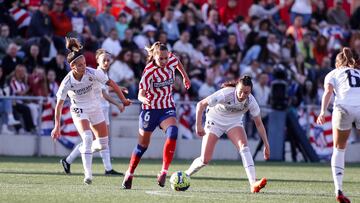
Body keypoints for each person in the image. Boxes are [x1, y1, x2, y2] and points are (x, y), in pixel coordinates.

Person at [51, 37, 131, 185]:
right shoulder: (66, 82)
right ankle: (88, 174)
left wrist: (123, 101)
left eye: (84, 64)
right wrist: (56, 126)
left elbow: (111, 83)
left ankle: (74, 157)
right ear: (72, 67)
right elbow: (59, 105)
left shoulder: (92, 72)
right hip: (78, 109)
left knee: (102, 145)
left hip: (95, 108)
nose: (83, 67)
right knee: (87, 137)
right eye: (80, 65)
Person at [121, 42, 191, 189]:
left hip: (166, 107)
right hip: (150, 110)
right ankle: (129, 173)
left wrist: (185, 77)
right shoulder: (149, 71)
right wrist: (143, 99)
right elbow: (140, 94)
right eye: (162, 59)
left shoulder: (171, 59)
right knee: (142, 146)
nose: (165, 61)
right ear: (154, 56)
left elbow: (177, 62)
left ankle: (164, 171)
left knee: (173, 132)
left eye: (166, 58)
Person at [184, 76, 270, 193]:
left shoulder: (251, 101)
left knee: (244, 147)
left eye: (246, 92)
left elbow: (259, 124)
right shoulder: (226, 94)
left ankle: (253, 183)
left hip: (233, 123)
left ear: (250, 91)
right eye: (240, 91)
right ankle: (186, 174)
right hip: (214, 121)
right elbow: (201, 105)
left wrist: (266, 144)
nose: (243, 95)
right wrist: (198, 125)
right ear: (236, 89)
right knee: (205, 159)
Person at [316, 47, 360, 203]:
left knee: (339, 149)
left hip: (343, 108)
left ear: (337, 63)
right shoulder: (359, 72)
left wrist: (322, 112)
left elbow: (328, 92)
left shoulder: (332, 73)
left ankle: (339, 189)